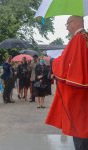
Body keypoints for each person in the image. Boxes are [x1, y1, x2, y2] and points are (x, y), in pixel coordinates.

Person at [43, 16, 88, 150]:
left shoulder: (78, 39)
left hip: (78, 90)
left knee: (79, 124)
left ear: (74, 23)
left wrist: (50, 61)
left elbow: (66, 64)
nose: (66, 27)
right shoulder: (85, 37)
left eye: (67, 24)